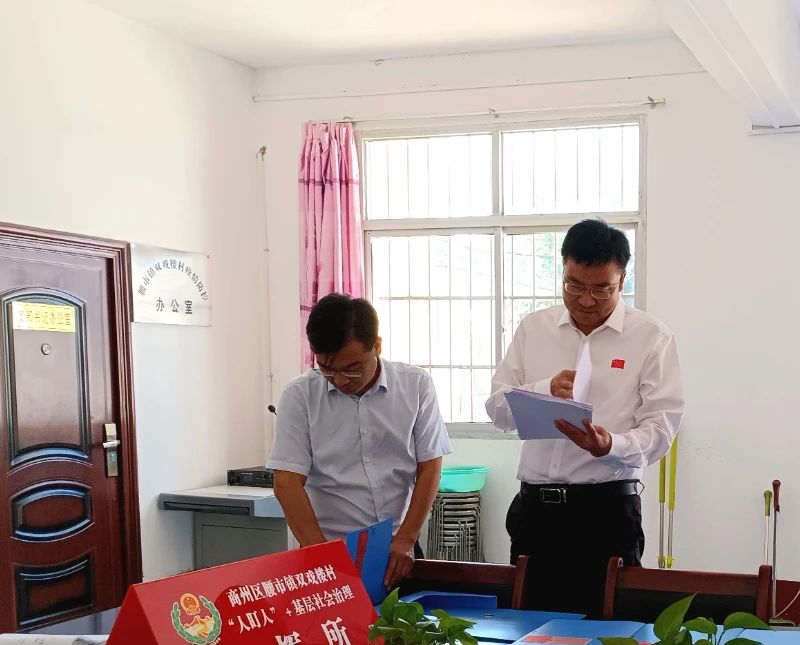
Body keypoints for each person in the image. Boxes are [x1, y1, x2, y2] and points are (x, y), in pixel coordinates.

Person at [485, 218, 684, 615]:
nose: (586, 300)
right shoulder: (534, 329)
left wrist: (610, 445)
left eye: (601, 289)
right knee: (528, 630)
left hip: (605, 514)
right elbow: (497, 410)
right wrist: (543, 389)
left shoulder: (652, 338)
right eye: (574, 285)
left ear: (622, 279)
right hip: (535, 513)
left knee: (610, 630)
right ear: (562, 271)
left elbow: (661, 430)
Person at [268, 293, 452, 589]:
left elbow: (430, 466)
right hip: (330, 551)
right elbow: (286, 483)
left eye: (352, 367)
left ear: (376, 346)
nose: (340, 380)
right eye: (327, 369)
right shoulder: (300, 395)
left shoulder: (415, 385)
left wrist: (406, 540)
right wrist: (322, 556)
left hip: (398, 551)